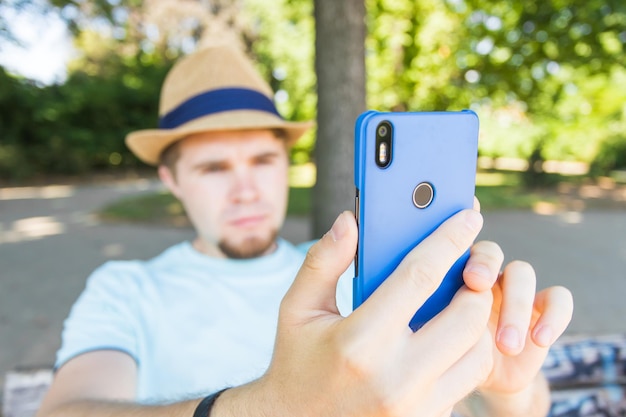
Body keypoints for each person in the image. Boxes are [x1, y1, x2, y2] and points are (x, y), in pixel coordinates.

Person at [36, 41, 573, 417]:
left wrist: (505, 388)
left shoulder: (364, 274)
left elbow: (513, 407)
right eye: (213, 168)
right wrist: (267, 409)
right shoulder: (125, 288)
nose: (245, 189)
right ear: (170, 179)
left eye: (263, 161)